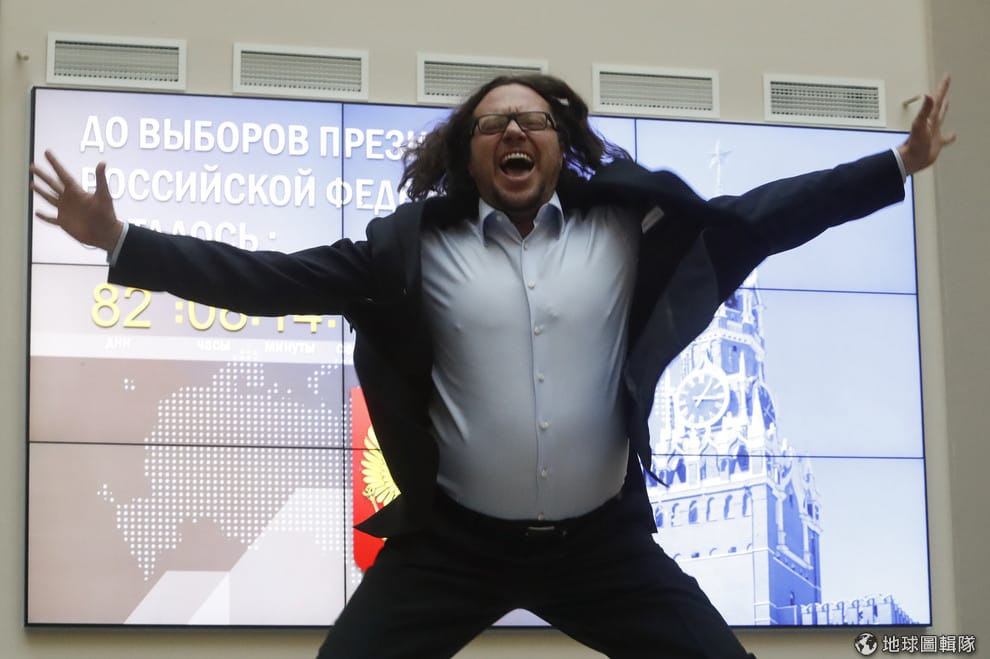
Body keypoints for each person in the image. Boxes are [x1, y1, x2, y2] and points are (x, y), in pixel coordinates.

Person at [31, 73, 953, 659]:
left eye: (533, 118)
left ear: (560, 140)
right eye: (492, 123)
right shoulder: (407, 252)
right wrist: (121, 241)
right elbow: (268, 280)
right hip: (454, 548)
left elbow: (767, 216)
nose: (514, 130)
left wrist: (898, 164)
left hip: (600, 549)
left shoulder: (628, 229)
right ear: (469, 154)